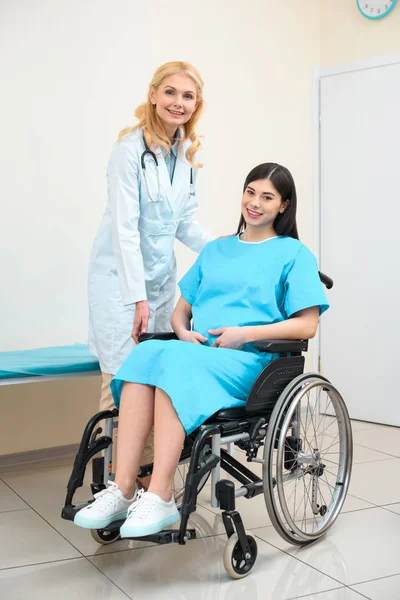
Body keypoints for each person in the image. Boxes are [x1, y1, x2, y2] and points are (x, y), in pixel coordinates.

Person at [75, 162, 329, 537]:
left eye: (267, 197)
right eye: (250, 192)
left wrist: (245, 333)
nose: (255, 203)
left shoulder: (294, 253)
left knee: (175, 361)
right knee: (145, 355)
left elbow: (307, 324)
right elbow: (182, 312)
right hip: (201, 356)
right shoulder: (216, 250)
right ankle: (124, 488)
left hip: (251, 364)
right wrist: (182, 332)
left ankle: (160, 494)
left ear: (283, 205)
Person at [87, 62, 213, 466]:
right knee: (123, 384)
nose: (179, 102)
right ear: (154, 94)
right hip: (121, 287)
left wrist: (233, 249)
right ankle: (114, 482)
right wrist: (137, 299)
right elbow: (125, 231)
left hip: (160, 285)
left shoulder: (186, 157)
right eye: (171, 92)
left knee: (156, 381)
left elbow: (186, 224)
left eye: (188, 96)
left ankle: (146, 481)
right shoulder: (127, 152)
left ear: (197, 105)